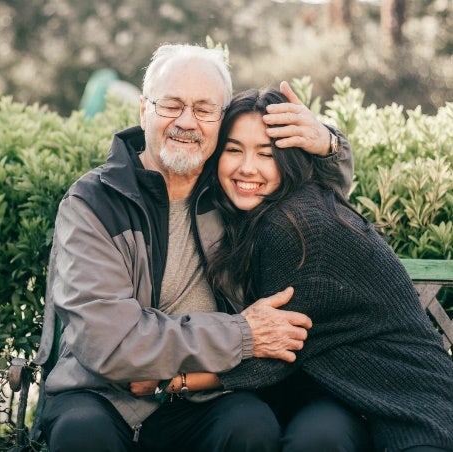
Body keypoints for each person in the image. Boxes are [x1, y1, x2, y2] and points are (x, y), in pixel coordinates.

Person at [34, 44, 354, 451]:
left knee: (251, 425)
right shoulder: (94, 203)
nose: (187, 122)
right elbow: (110, 343)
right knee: (82, 434)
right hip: (101, 396)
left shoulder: (233, 191)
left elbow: (315, 198)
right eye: (172, 105)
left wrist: (328, 144)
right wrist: (241, 334)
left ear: (221, 120)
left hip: (200, 397)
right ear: (143, 110)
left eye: (204, 109)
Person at [171, 88, 453, 451]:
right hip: (348, 398)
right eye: (233, 149)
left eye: (266, 154)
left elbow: (272, 357)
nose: (247, 167)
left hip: (410, 406)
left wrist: (173, 382)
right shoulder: (279, 208)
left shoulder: (295, 226)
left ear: (289, 161)